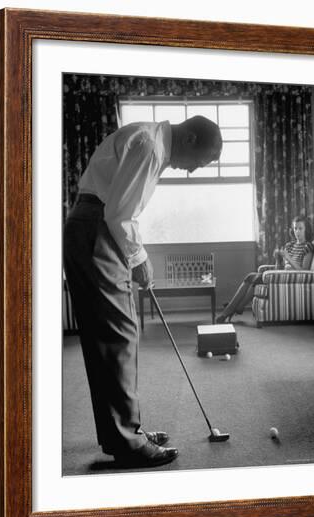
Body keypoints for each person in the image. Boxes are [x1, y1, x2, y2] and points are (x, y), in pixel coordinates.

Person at [63, 116, 222, 468]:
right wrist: (140, 259)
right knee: (119, 336)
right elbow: (120, 215)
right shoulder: (151, 147)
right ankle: (128, 443)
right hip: (97, 230)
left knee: (107, 339)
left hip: (88, 226)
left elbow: (118, 208)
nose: (194, 170)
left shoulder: (148, 137)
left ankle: (121, 435)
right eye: (201, 161)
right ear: (191, 138)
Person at [216, 215, 314, 324]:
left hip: (292, 279)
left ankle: (229, 310)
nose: (297, 232)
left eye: (300, 228)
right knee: (251, 277)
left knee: (255, 277)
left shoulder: (308, 247)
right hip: (281, 277)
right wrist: (278, 259)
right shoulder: (290, 245)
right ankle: (236, 308)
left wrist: (288, 258)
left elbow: (305, 271)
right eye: (295, 228)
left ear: (306, 230)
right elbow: (280, 268)